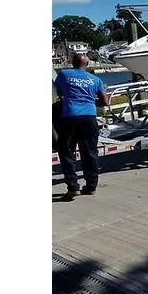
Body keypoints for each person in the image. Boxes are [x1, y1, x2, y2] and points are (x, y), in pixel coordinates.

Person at [53, 53, 110, 199]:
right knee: (90, 152)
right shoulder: (95, 79)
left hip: (69, 117)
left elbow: (59, 92)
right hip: (89, 118)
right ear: (88, 64)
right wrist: (90, 102)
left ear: (72, 62)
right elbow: (105, 102)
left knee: (66, 152)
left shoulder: (64, 74)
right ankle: (91, 186)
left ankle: (73, 187)